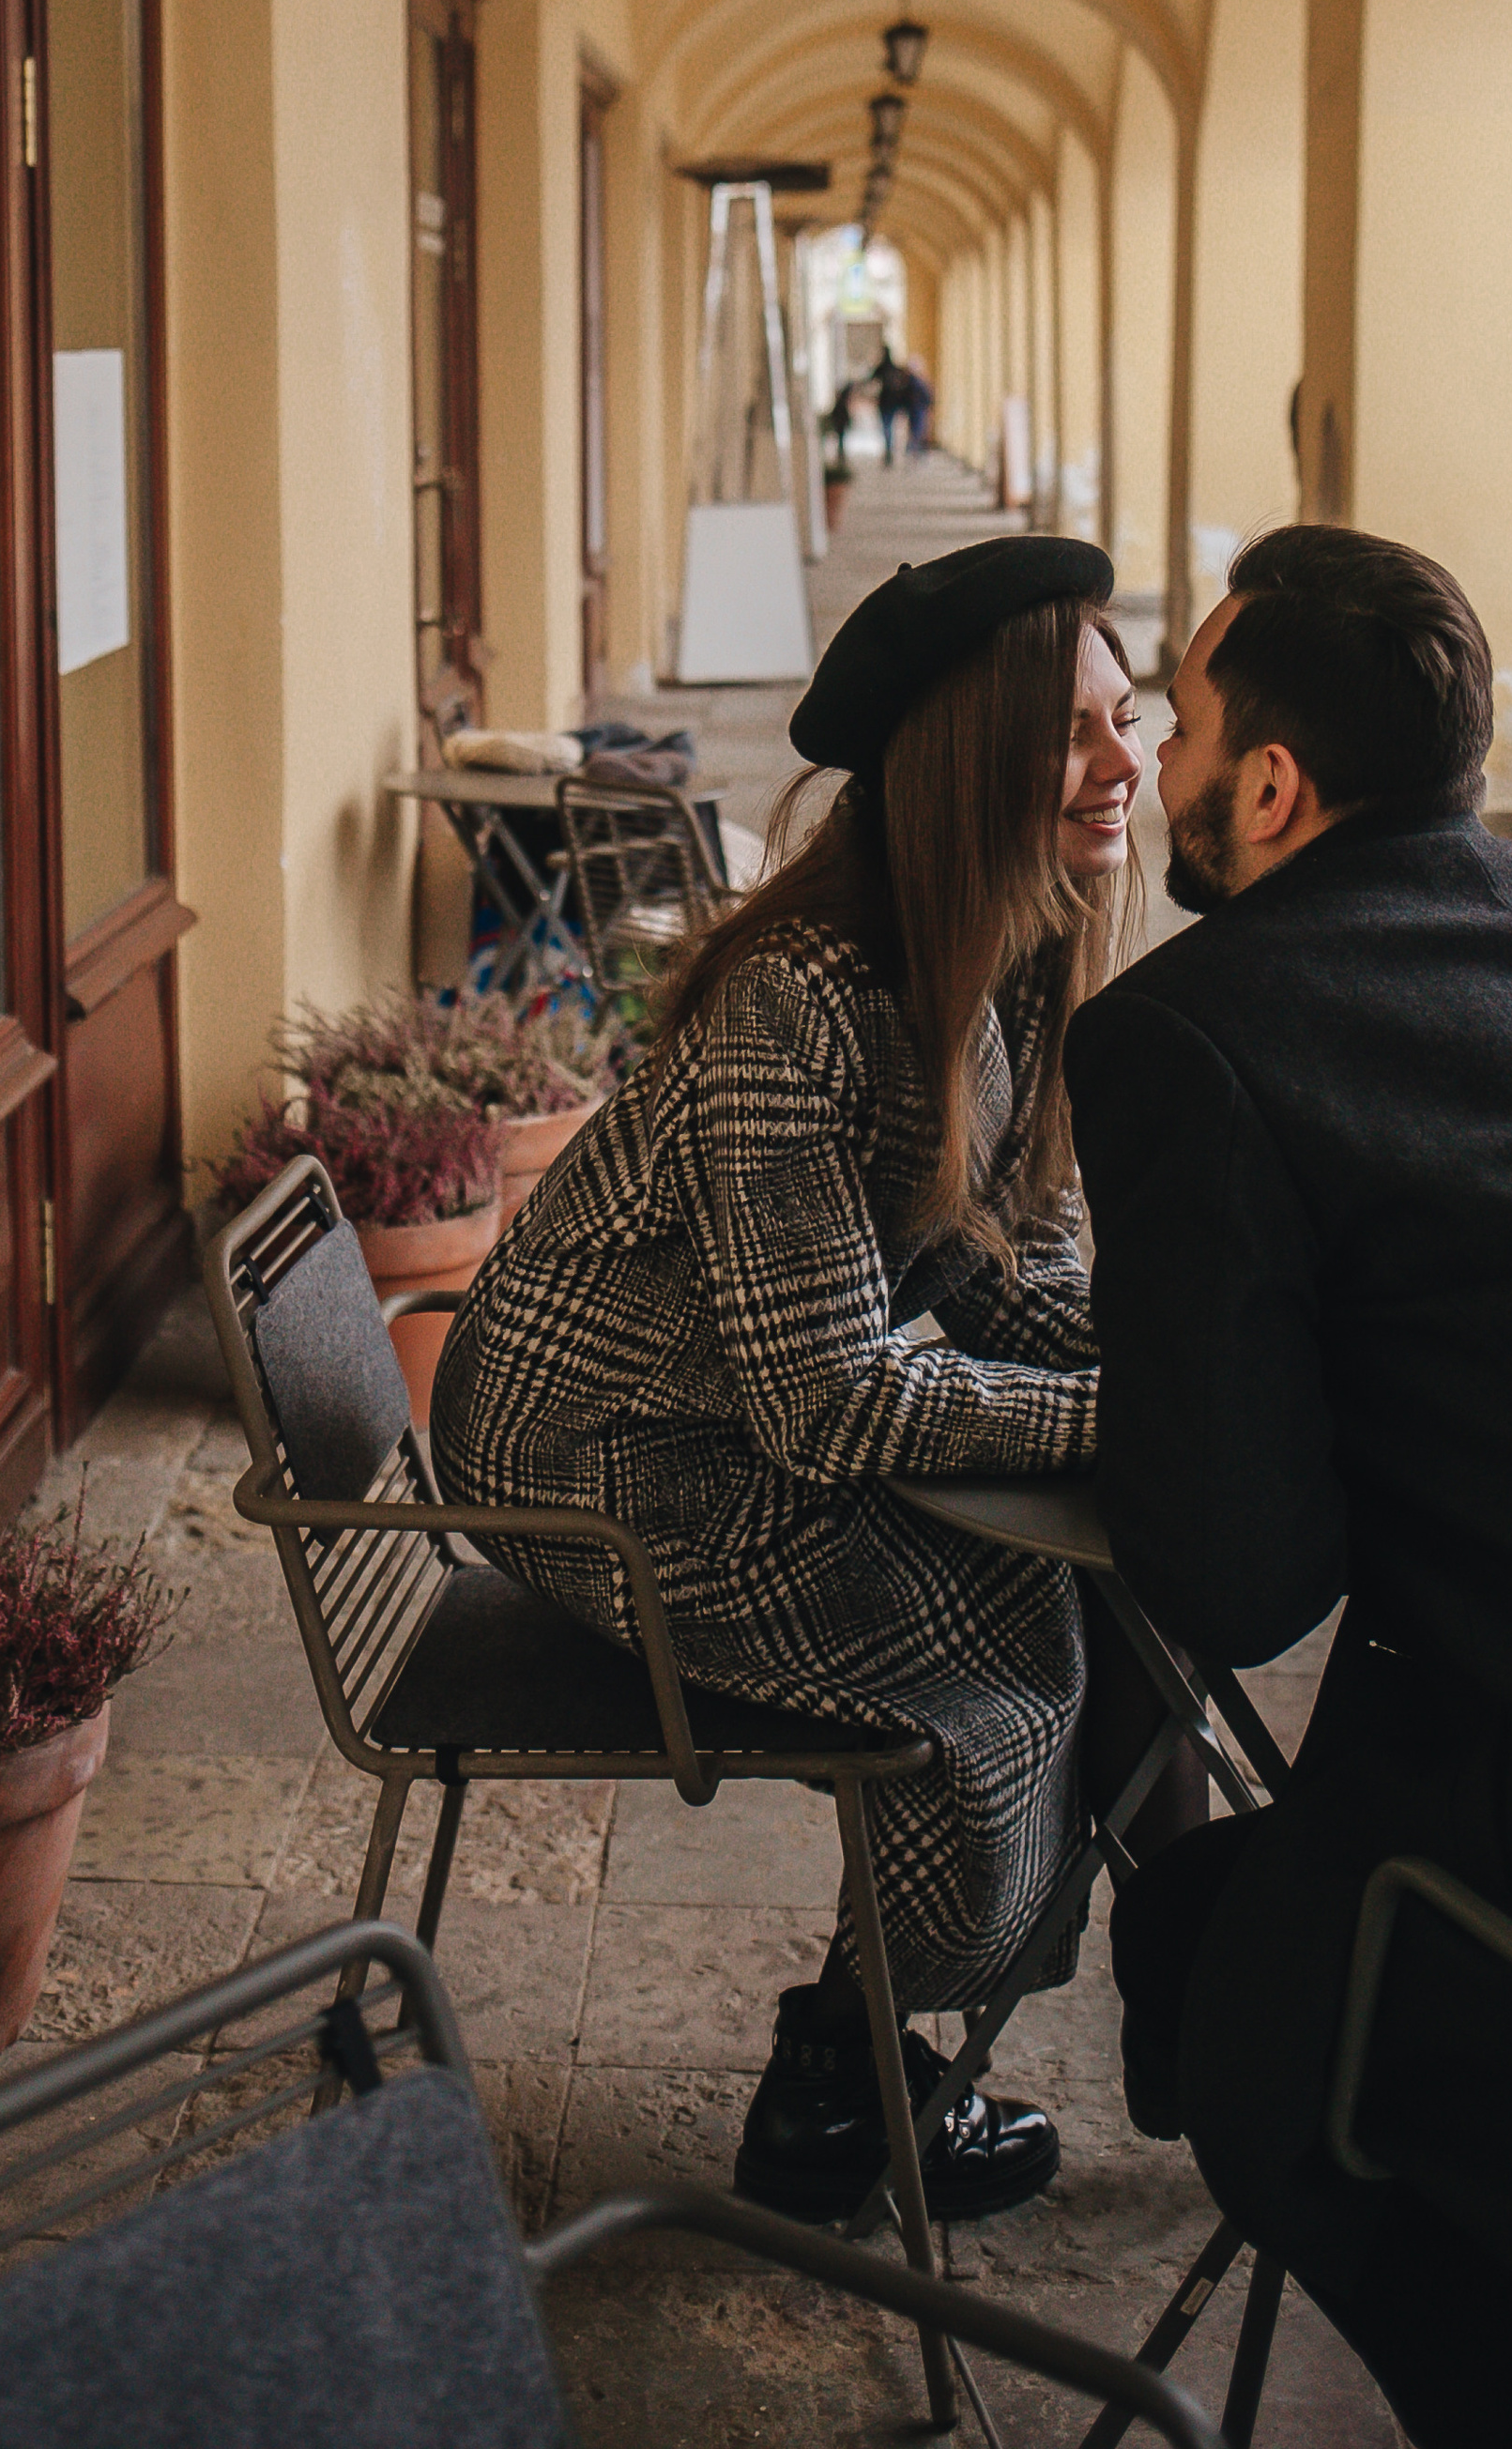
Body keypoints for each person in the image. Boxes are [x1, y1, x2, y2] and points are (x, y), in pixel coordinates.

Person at [1064, 525, 1512, 2449]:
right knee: (1214, 1924)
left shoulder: (1185, 1034)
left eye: (1181, 721)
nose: (1158, 756)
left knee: (1246, 2042)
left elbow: (1233, 1583)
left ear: (1270, 786)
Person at [431, 535, 1143, 2222]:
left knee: (1101, 1606)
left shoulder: (1015, 952)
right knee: (1016, 1667)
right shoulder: (796, 1005)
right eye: (1080, 734)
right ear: (970, 763)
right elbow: (834, 1402)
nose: (1130, 765)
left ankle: (856, 2063)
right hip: (597, 1457)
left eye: (1138, 719)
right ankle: (860, 2078)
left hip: (736, 1410)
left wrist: (1153, 1361)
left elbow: (1021, 1265)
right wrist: (1147, 1415)